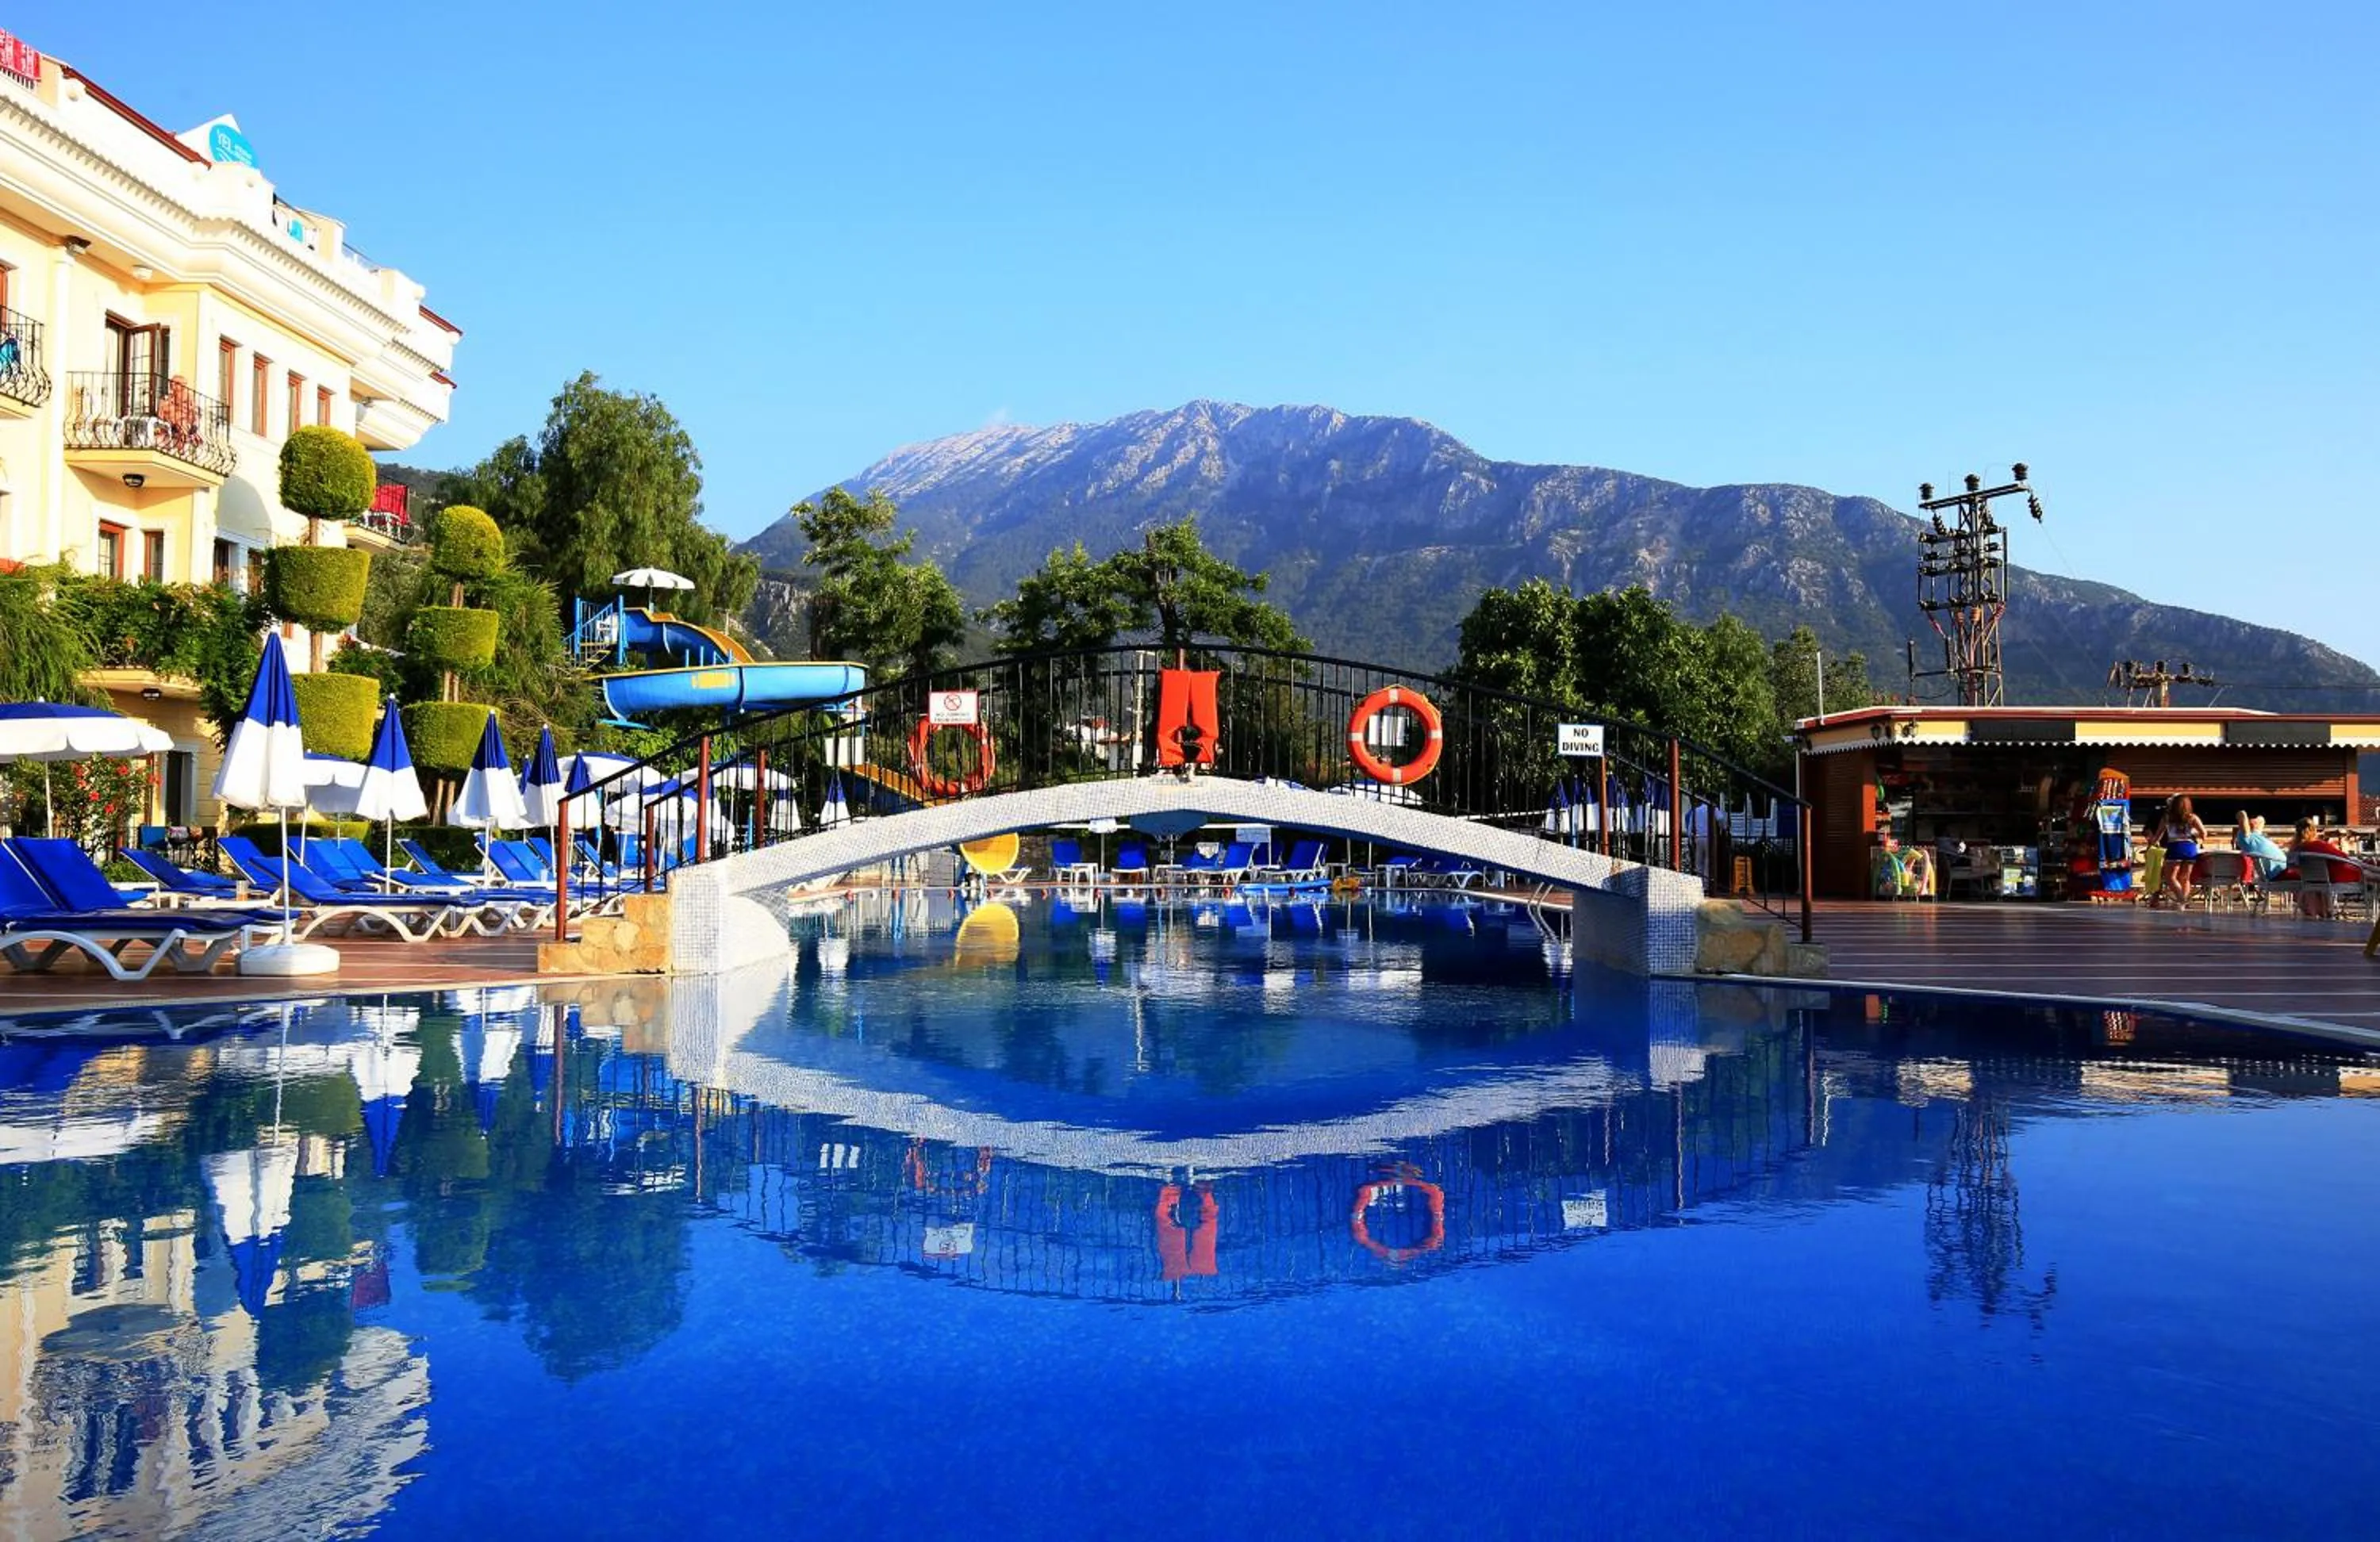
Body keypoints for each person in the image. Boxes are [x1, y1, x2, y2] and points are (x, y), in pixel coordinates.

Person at [2290, 818, 2362, 919]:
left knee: (2368, 870)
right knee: (2367, 872)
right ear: (2314, 831)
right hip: (2335, 876)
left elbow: (2291, 866)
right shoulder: (2319, 845)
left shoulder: (2295, 849)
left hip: (2310, 879)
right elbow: (2343, 856)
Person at [2148, 796, 2208, 907]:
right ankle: (2183, 903)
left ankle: (2181, 899)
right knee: (2185, 878)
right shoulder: (2193, 818)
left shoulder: (2167, 818)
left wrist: (2152, 844)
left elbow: (2158, 836)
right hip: (2190, 848)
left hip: (2175, 847)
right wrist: (2193, 833)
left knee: (2170, 877)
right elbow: (2204, 834)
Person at [2234, 811, 2288, 883]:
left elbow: (2261, 822)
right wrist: (2243, 815)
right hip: (2280, 872)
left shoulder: (2257, 836)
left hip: (2284, 869)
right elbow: (2242, 816)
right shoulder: (2246, 838)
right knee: (2303, 874)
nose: (2256, 821)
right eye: (2253, 819)